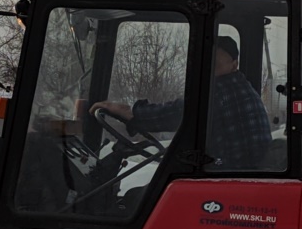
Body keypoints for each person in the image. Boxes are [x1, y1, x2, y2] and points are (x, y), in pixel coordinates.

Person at [93, 35, 273, 170]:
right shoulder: (239, 88)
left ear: (234, 65)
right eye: (206, 64)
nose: (208, 70)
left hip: (227, 174)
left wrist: (130, 113)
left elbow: (177, 114)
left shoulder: (223, 91)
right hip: (231, 170)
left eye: (215, 65)